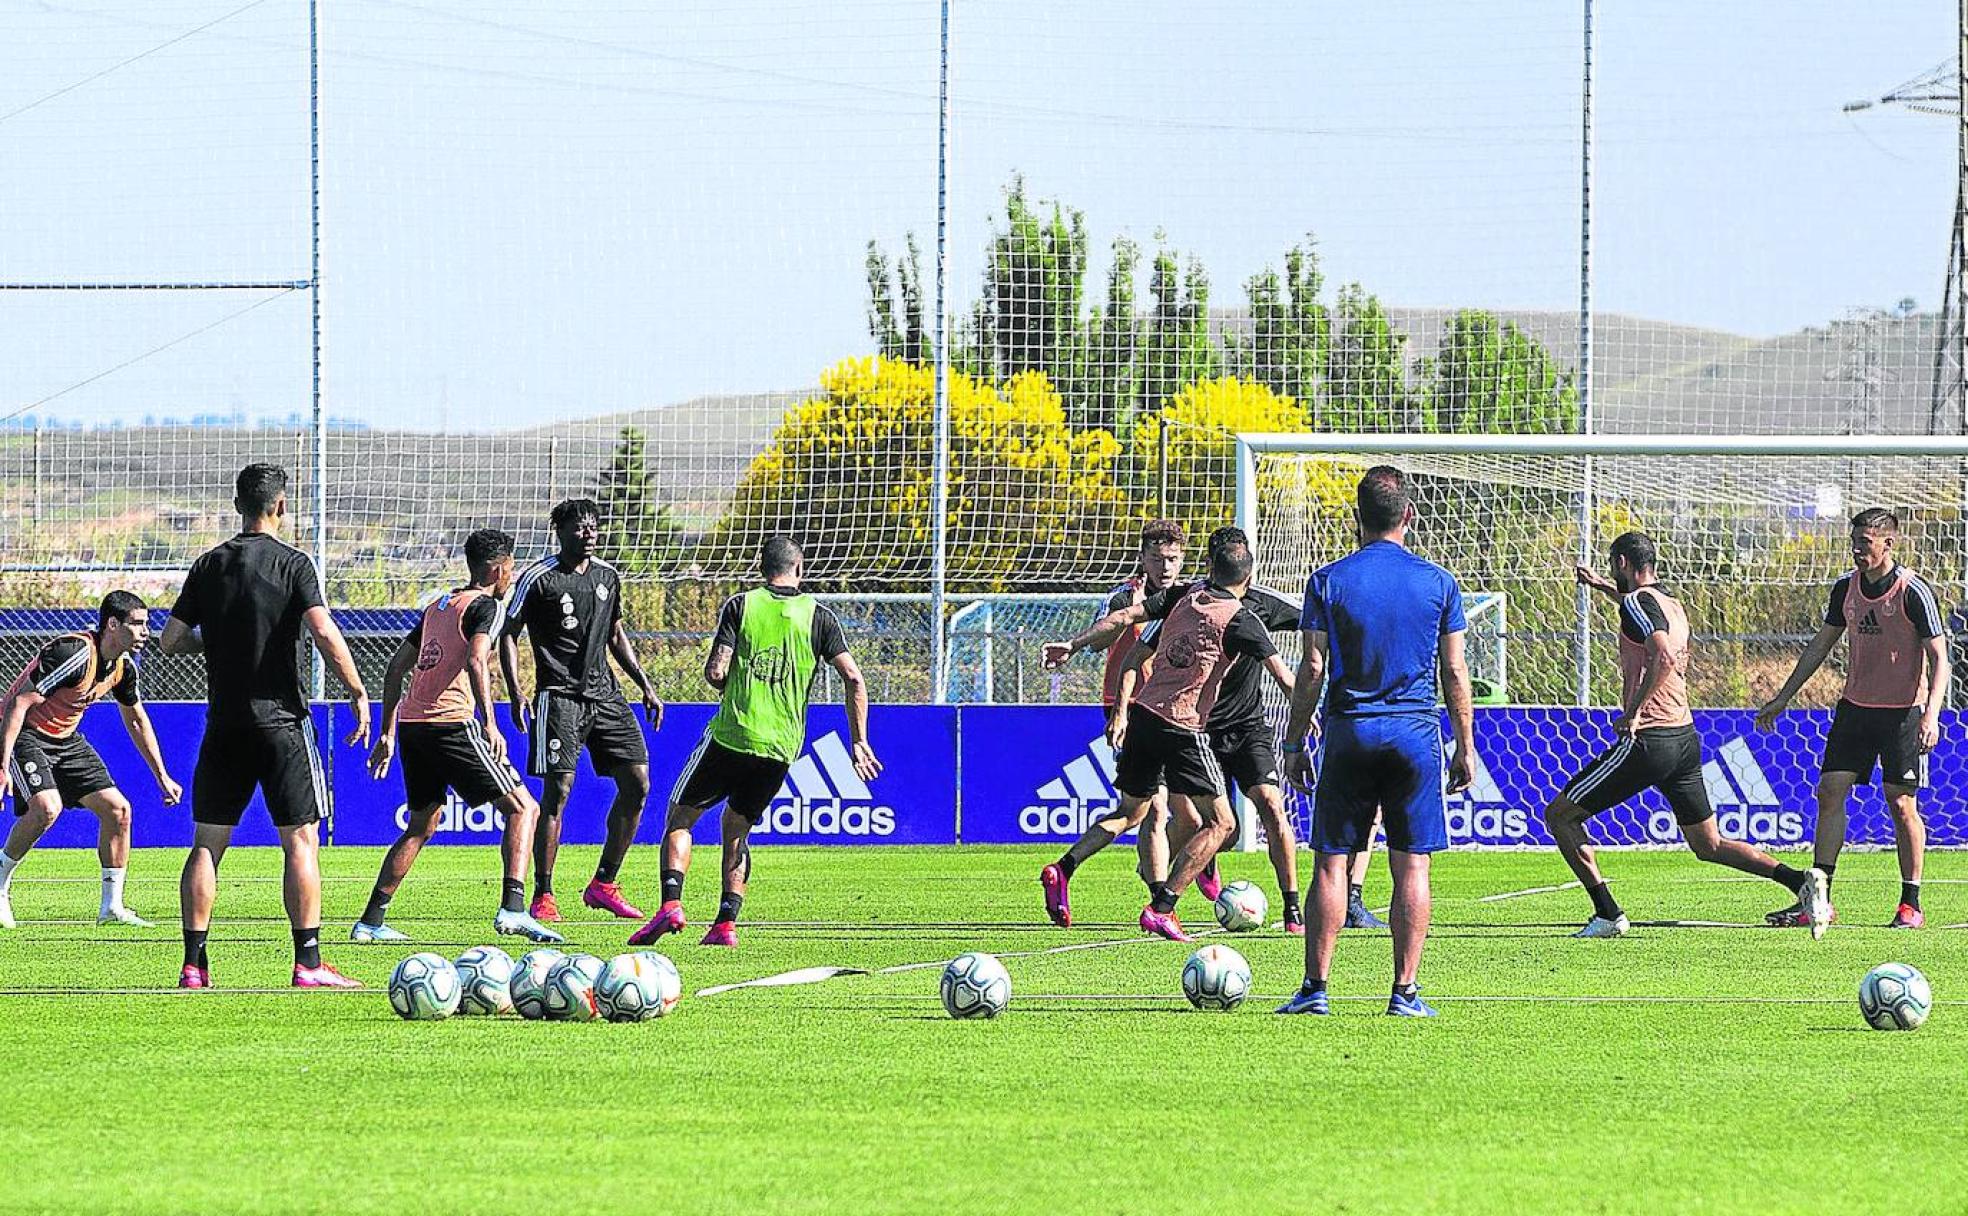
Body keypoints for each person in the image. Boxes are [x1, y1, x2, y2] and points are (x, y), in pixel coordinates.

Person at [158, 462, 370, 989]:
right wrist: (357, 691)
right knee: (301, 842)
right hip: (281, 724)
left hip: (224, 725)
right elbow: (323, 631)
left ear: (238, 506)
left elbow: (169, 640)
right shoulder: (294, 564)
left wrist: (219, 641)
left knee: (207, 844)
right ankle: (309, 963)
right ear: (280, 506)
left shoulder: (208, 565)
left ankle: (194, 965)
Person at [1549, 532, 1822, 937]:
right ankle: (1799, 881)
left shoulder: (1638, 604)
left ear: (1623, 562)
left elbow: (1660, 652)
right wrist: (1600, 586)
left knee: (1560, 815)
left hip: (1650, 739)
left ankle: (1608, 913)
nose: (1611, 572)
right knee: (1707, 844)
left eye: (1612, 566)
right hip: (1683, 738)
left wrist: (1634, 711)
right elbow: (1644, 618)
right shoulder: (1670, 604)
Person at [1277, 466, 1473, 1018]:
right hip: (1414, 735)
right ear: (1408, 515)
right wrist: (1465, 745)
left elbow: (1312, 667)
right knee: (1412, 867)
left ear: (1355, 518)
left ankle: (1316, 989)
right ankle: (1404, 992)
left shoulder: (1328, 580)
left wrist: (1294, 742)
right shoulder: (1438, 582)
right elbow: (1455, 672)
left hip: (1351, 732)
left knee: (1332, 863)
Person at [629, 536, 877, 948]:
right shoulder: (820, 617)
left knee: (680, 818)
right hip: (780, 747)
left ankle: (671, 905)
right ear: (800, 569)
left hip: (734, 733)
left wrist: (736, 685)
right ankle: (725, 924)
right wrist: (859, 742)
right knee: (737, 829)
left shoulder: (742, 605)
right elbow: (853, 677)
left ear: (763, 569)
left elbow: (715, 671)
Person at [1048, 537, 1294, 941]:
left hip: (1144, 715)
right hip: (1181, 726)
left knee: (1134, 812)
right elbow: (1285, 678)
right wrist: (1308, 714)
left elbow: (1124, 618)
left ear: (1209, 569)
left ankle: (1064, 868)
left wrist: (1072, 646)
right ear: (1248, 577)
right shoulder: (1242, 617)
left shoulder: (1182, 595)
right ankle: (1163, 906)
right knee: (1222, 825)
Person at [353, 529, 561, 945]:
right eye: (511, 569)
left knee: (422, 824)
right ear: (499, 569)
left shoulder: (439, 605)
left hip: (413, 726)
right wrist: (490, 723)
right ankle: (514, 909)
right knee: (524, 808)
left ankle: (370, 922)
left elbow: (396, 668)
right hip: (451, 723)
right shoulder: (487, 607)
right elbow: (475, 659)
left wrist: (388, 732)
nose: (512, 577)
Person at [1756, 507, 1949, 933]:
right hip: (1855, 709)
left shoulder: (1912, 590)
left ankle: (1910, 903)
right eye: (1855, 541)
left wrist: (1931, 715)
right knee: (1829, 791)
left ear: (1888, 543)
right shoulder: (1845, 588)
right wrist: (1782, 698)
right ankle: (1818, 900)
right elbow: (1819, 647)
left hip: (1902, 713)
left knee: (1901, 805)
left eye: (1865, 542)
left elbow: (1940, 658)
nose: (1858, 549)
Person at [498, 498, 664, 923]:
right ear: (561, 531)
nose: (589, 534)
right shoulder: (540, 578)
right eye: (580, 528)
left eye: (594, 527)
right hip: (560, 697)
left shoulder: (608, 576)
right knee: (559, 792)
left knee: (638, 783)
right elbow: (508, 636)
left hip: (606, 695)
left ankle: (604, 884)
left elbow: (616, 635)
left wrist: (644, 684)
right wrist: (518, 692)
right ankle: (544, 894)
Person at [0, 591, 181, 929]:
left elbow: (137, 719)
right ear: (113, 624)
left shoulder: (123, 668)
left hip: (66, 740)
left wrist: (163, 776)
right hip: (25, 732)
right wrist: (1, 764)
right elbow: (19, 704)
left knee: (119, 810)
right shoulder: (74, 653)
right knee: (46, 808)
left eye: (147, 624)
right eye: (138, 624)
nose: (146, 632)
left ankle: (111, 909)